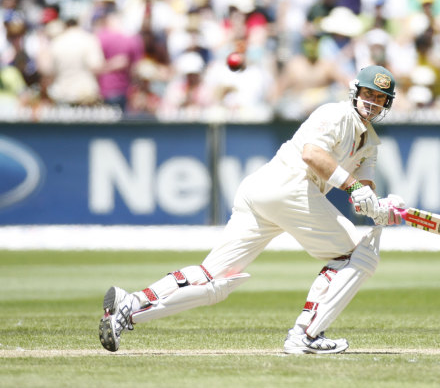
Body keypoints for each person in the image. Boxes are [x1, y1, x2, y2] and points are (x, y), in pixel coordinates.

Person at [98, 65, 406, 355]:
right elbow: (313, 155)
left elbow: (363, 189)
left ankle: (132, 305)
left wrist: (381, 209)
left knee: (214, 281)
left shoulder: (371, 143)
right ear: (355, 92)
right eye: (368, 94)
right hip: (289, 184)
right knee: (357, 256)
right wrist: (356, 189)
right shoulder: (336, 113)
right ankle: (306, 335)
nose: (373, 103)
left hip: (264, 192)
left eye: (380, 98)